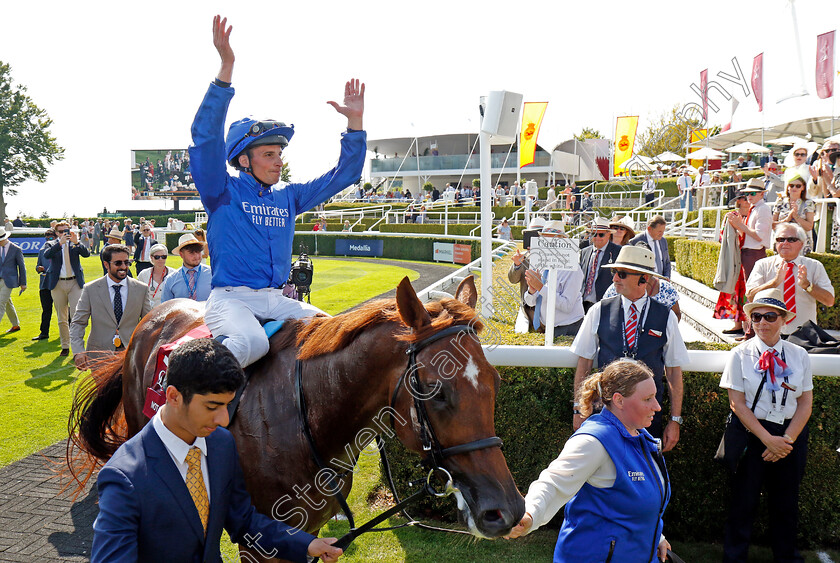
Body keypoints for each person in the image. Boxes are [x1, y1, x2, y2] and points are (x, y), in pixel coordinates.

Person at [190, 15, 365, 367]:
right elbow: (205, 138)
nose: (278, 162)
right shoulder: (221, 191)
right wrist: (226, 69)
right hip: (230, 301)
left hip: (277, 299)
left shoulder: (289, 196)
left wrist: (355, 124)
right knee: (251, 343)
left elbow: (344, 175)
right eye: (268, 154)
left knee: (333, 333)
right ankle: (192, 404)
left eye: (279, 154)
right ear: (243, 160)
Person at [90, 338, 342, 563]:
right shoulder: (124, 478)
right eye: (212, 406)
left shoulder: (221, 444)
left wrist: (307, 544)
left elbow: (243, 521)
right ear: (173, 396)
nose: (223, 420)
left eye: (228, 406)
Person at [506, 359, 671, 563]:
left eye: (655, 396)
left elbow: (637, 506)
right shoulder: (594, 441)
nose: (657, 406)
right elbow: (552, 482)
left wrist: (655, 536)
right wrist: (529, 514)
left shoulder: (641, 438)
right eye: (648, 398)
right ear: (619, 400)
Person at [719, 288, 812, 563]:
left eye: (770, 316)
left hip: (789, 435)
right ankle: (735, 557)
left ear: (783, 320)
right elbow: (737, 403)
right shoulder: (739, 354)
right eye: (756, 317)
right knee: (743, 502)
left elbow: (805, 402)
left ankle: (787, 557)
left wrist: (786, 440)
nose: (762, 323)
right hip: (753, 433)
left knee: (786, 503)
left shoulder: (799, 355)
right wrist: (767, 439)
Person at [570, 244, 688, 447]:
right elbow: (584, 362)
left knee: (642, 474)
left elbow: (674, 371)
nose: (615, 278)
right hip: (605, 415)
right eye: (615, 272)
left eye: (622, 274)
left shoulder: (666, 316)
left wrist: (675, 420)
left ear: (644, 278)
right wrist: (579, 409)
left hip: (648, 418)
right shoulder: (598, 310)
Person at [71, 244, 152, 370]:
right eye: (118, 263)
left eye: (126, 262)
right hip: (99, 355)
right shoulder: (90, 289)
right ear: (106, 264)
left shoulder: (141, 289)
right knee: (102, 391)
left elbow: (149, 323)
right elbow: (78, 323)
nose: (124, 267)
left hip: (132, 355)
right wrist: (78, 351)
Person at [745, 223, 834, 336]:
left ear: (801, 244)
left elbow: (829, 300)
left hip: (804, 335)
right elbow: (751, 296)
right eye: (780, 239)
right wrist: (774, 283)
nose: (785, 243)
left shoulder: (814, 266)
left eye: (791, 239)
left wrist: (808, 286)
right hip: (769, 334)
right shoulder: (762, 265)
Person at [520, 221, 585, 335]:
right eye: (545, 240)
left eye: (553, 240)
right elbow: (530, 302)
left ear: (562, 242)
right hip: (547, 326)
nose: (549, 244)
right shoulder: (539, 262)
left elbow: (567, 306)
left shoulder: (573, 268)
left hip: (570, 326)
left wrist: (540, 287)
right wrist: (532, 290)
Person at [44, 220, 90, 357]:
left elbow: (86, 254)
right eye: (61, 231)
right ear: (56, 233)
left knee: (76, 316)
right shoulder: (52, 244)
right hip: (57, 284)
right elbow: (46, 255)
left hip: (75, 283)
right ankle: (65, 345)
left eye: (66, 231)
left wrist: (76, 242)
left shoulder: (75, 244)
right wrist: (60, 243)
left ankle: (78, 346)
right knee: (61, 317)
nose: (64, 233)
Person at [715, 194, 751, 335]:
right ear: (739, 201)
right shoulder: (732, 216)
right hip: (735, 258)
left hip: (748, 256)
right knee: (734, 289)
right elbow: (723, 237)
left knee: (745, 291)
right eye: (745, 197)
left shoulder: (752, 214)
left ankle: (746, 324)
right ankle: (736, 323)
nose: (748, 200)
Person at [578, 217, 621, 312]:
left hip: (605, 304)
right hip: (583, 304)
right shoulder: (584, 252)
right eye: (594, 234)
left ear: (609, 234)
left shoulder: (618, 252)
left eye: (601, 234)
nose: (597, 237)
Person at [160, 234, 213, 303]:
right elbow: (165, 307)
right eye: (191, 253)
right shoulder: (171, 280)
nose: (196, 256)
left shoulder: (212, 274)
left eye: (198, 252)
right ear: (181, 254)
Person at [772, 173, 815, 254]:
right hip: (782, 242)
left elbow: (809, 226)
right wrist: (787, 219)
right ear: (788, 187)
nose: (794, 188)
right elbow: (772, 225)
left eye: (798, 186)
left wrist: (796, 216)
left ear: (803, 187)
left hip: (800, 243)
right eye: (792, 185)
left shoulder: (808, 203)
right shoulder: (780, 201)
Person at [0, 227, 26, 333]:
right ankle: (15, 325)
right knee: (7, 302)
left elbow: (22, 267)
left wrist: (23, 283)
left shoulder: (16, 249)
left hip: (9, 281)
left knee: (1, 303)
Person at [33, 228, 57, 341]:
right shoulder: (42, 250)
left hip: (58, 284)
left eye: (51, 237)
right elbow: (38, 266)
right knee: (46, 309)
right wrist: (39, 268)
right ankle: (44, 333)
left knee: (63, 310)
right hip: (44, 284)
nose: (48, 239)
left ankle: (70, 332)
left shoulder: (59, 249)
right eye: (46, 237)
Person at [136, 243, 176, 309]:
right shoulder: (143, 275)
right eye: (157, 257)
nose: (160, 259)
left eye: (163, 257)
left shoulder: (174, 274)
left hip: (167, 311)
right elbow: (138, 296)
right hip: (148, 312)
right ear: (151, 257)